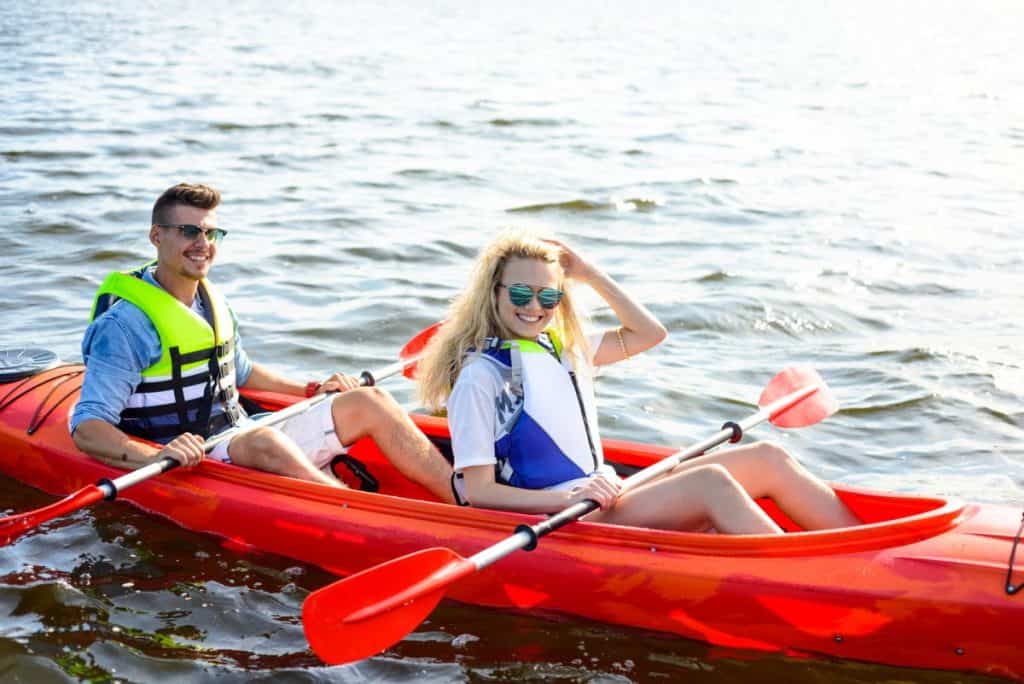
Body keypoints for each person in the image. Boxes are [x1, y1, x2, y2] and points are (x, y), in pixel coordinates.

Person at [417, 230, 860, 533]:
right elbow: (478, 493)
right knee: (712, 484)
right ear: (493, 294)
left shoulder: (564, 348)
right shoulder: (481, 378)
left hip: (603, 492)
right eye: (520, 293)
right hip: (569, 516)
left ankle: (871, 549)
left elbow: (649, 334)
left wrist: (589, 273)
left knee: (768, 457)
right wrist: (568, 501)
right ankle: (805, 572)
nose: (535, 305)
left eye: (549, 295)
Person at [71, 182, 455, 504]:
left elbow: (241, 373)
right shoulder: (123, 327)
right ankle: (360, 514)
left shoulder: (210, 300)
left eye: (211, 233)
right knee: (262, 440)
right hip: (190, 453)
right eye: (190, 231)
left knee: (371, 400)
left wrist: (312, 388)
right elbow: (88, 427)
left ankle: (466, 500)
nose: (203, 243)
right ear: (157, 236)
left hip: (239, 432)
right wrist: (157, 455)